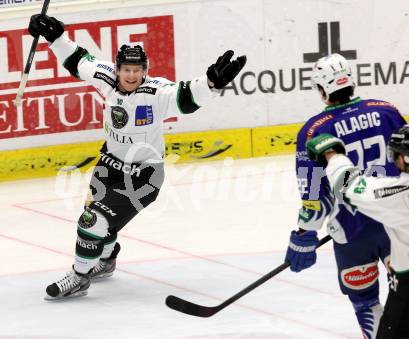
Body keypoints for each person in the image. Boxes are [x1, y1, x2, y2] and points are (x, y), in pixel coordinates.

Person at [27, 14, 246, 300]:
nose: (131, 75)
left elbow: (186, 97)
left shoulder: (155, 92)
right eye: (126, 69)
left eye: (137, 70)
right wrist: (55, 37)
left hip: (145, 175)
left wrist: (211, 84)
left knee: (92, 222)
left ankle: (80, 277)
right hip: (108, 166)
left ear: (145, 71)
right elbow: (77, 61)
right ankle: (106, 260)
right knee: (98, 222)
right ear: (117, 70)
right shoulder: (105, 77)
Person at [304, 64, 409, 339]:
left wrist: (332, 154)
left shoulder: (392, 195)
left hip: (363, 242)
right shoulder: (388, 111)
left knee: (369, 309)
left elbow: (338, 187)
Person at [285, 53, 407, 339]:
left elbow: (314, 195)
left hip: (352, 234)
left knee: (366, 302)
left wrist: (305, 233)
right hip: (399, 225)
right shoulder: (387, 111)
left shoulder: (314, 131)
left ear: (321, 89)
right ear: (351, 80)